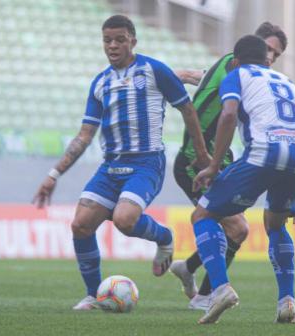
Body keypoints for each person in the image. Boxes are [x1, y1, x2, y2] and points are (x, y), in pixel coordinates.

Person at [32, 14, 210, 310]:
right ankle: (93, 295)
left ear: (133, 41)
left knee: (124, 220)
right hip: (111, 166)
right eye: (107, 40)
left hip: (146, 162)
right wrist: (54, 174)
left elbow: (188, 111)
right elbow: (84, 136)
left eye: (119, 40)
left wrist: (203, 157)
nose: (112, 46)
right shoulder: (100, 83)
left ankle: (164, 237)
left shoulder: (154, 70)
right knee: (80, 225)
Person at [170, 22, 295, 311]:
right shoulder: (245, 70)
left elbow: (224, 106)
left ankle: (198, 280)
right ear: (256, 45)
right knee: (242, 226)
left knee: (224, 223)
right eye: (269, 50)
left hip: (239, 154)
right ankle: (216, 293)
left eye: (276, 54)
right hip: (199, 155)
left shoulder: (244, 73)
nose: (270, 58)